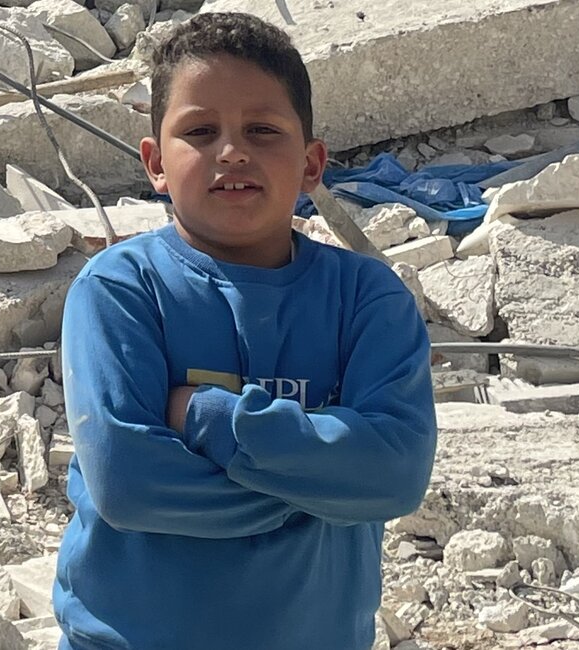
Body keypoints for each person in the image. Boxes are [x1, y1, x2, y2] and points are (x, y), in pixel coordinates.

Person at [51, 12, 439, 649]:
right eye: (201, 130)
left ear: (312, 163)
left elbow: (395, 475)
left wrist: (208, 418)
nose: (232, 151)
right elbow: (128, 483)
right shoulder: (121, 289)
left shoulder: (368, 300)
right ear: (154, 162)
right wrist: (323, 487)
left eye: (262, 130)